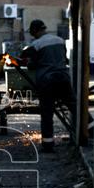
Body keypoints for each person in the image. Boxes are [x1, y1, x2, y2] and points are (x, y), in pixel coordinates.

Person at [21, 19, 74, 152]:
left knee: (47, 113)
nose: (32, 34)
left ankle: (48, 144)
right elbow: (64, 59)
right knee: (74, 106)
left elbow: (27, 59)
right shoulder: (60, 40)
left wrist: (28, 63)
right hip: (63, 78)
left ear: (36, 30)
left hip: (47, 81)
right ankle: (90, 131)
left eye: (32, 32)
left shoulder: (37, 44)